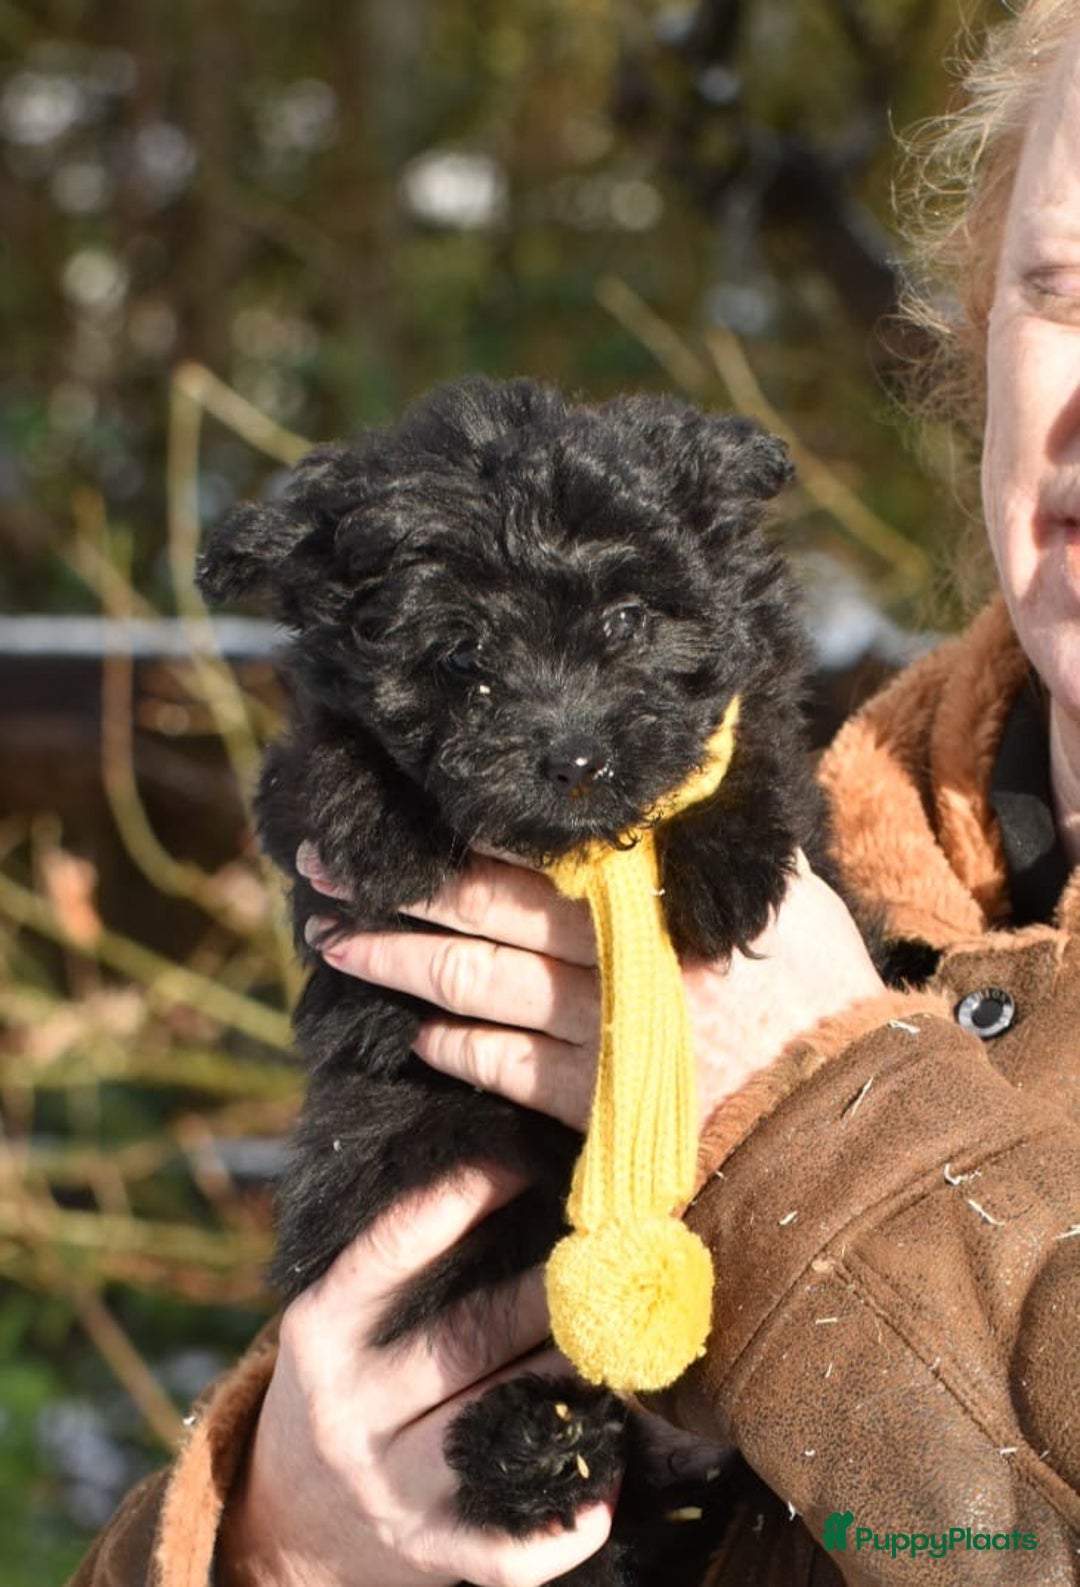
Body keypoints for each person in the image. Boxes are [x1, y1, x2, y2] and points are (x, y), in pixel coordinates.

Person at [72, 1, 1080, 1582]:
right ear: (977, 327)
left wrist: (814, 1114)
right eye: (1064, 287)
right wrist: (279, 1536)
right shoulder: (832, 867)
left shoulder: (774, 961)